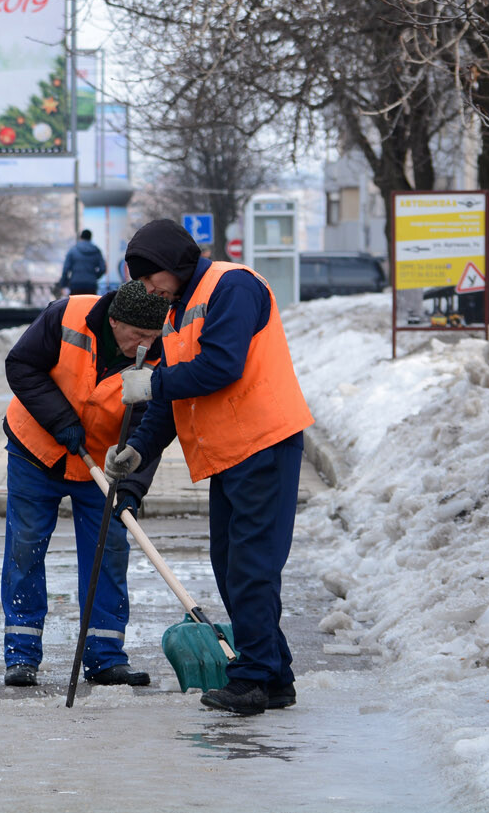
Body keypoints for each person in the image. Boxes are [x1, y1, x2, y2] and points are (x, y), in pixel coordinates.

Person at [106, 218, 313, 715]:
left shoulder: (233, 285)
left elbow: (222, 366)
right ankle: (275, 673)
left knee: (251, 568)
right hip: (231, 453)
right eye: (141, 280)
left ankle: (251, 680)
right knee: (232, 565)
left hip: (263, 443)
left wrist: (155, 384)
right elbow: (173, 400)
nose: (149, 288)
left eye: (152, 276)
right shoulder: (177, 313)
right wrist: (137, 451)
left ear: (175, 262)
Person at [0, 280, 170, 689]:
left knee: (109, 551)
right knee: (25, 546)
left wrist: (132, 486)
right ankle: (21, 656)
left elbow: (157, 423)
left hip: (106, 466)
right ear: (114, 322)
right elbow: (20, 365)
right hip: (37, 448)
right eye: (136, 335)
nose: (144, 345)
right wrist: (61, 420)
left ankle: (105, 657)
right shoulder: (67, 315)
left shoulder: (165, 354)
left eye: (152, 336)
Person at [57, 229, 107, 296]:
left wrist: (63, 284)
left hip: (76, 285)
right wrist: (94, 276)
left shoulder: (73, 250)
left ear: (81, 237)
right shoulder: (96, 251)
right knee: (90, 306)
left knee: (76, 305)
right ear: (90, 238)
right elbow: (103, 268)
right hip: (91, 285)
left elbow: (65, 269)